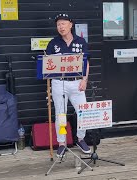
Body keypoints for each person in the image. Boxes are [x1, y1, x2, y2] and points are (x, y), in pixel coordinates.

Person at [45, 13, 91, 157]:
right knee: (61, 114)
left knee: (83, 112)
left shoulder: (81, 41)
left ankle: (81, 138)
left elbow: (86, 62)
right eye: (58, 24)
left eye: (63, 23)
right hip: (59, 83)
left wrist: (85, 80)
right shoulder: (53, 43)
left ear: (71, 25)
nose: (61, 27)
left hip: (77, 82)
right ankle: (62, 142)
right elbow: (47, 64)